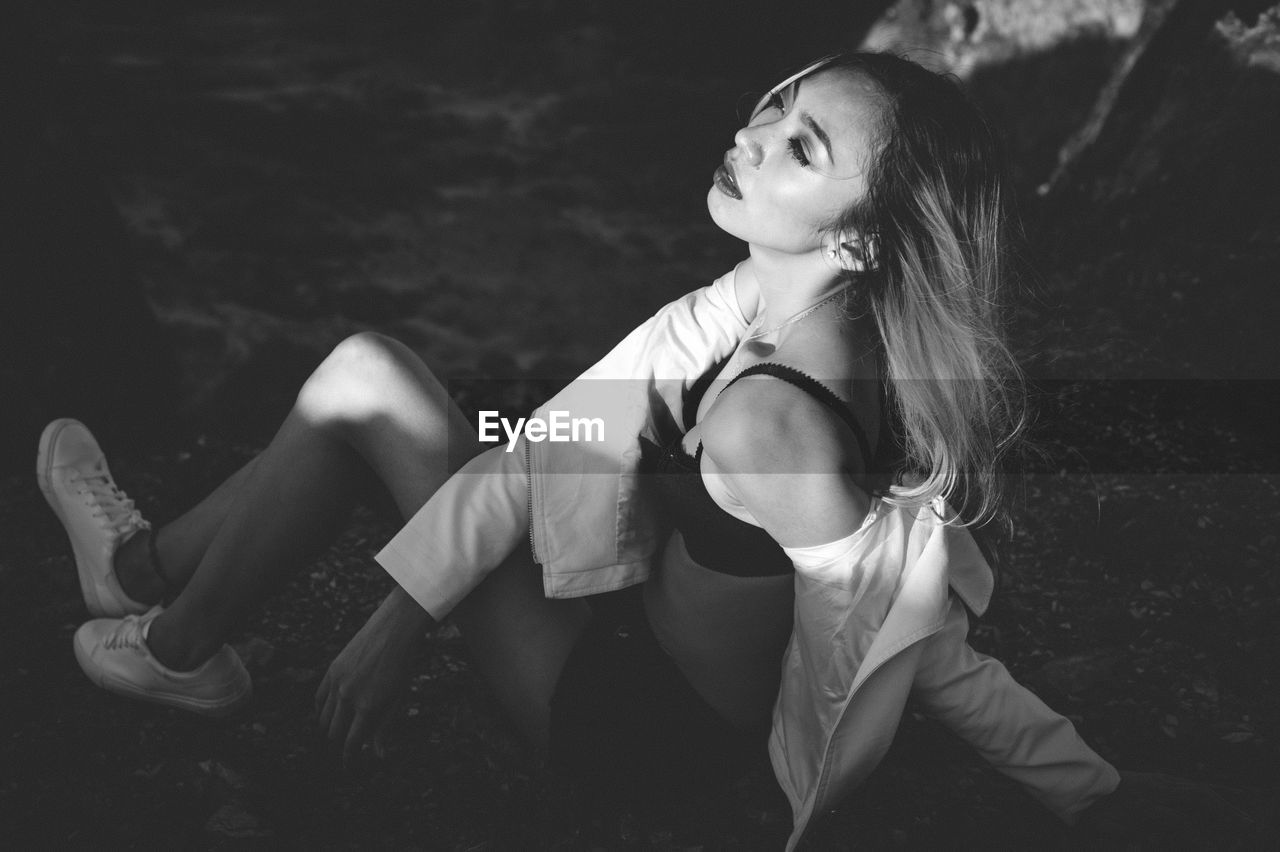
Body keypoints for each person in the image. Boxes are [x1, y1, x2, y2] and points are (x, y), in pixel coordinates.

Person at [36, 52, 1242, 849]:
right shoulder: (765, 305)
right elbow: (570, 417)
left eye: (802, 148)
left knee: (365, 384)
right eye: (777, 106)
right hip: (618, 624)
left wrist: (1087, 793)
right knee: (395, 385)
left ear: (867, 238)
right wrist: (406, 602)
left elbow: (899, 633)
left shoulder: (772, 416)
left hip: (619, 726)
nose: (754, 134)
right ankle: (144, 583)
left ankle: (175, 639)